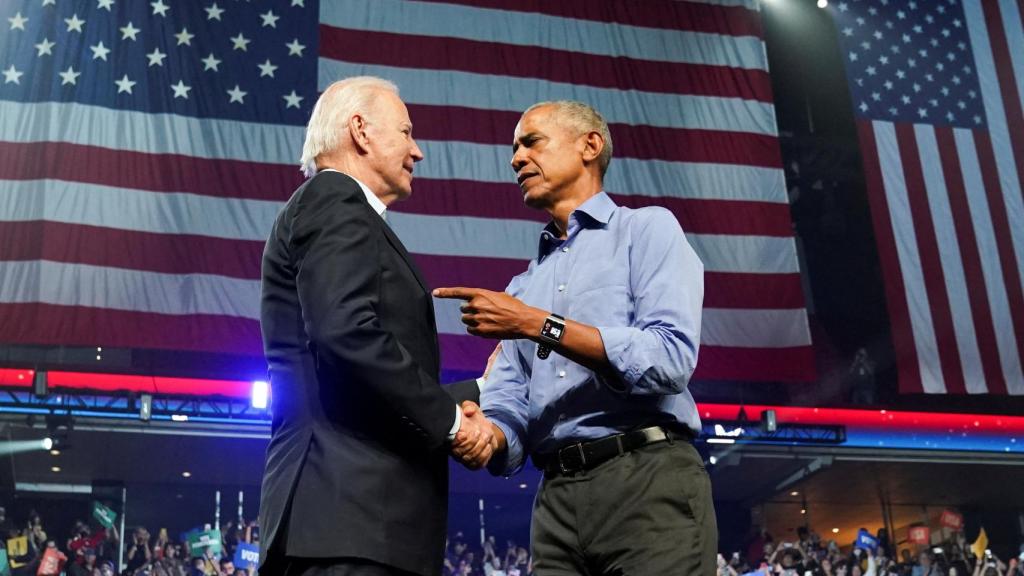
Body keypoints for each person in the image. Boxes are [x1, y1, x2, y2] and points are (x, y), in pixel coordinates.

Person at [435, 100, 715, 574]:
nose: (516, 159)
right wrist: (488, 434)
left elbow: (669, 357)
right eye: (514, 149)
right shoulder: (521, 290)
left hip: (649, 480)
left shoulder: (646, 230)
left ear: (590, 145)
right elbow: (508, 403)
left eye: (531, 142)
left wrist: (536, 324)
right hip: (556, 504)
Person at [257, 76, 496, 576]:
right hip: (348, 523)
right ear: (360, 131)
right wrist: (453, 424)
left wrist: (484, 390)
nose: (418, 150)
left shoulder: (337, 210)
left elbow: (358, 388)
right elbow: (346, 333)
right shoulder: (335, 200)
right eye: (406, 131)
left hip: (355, 524)